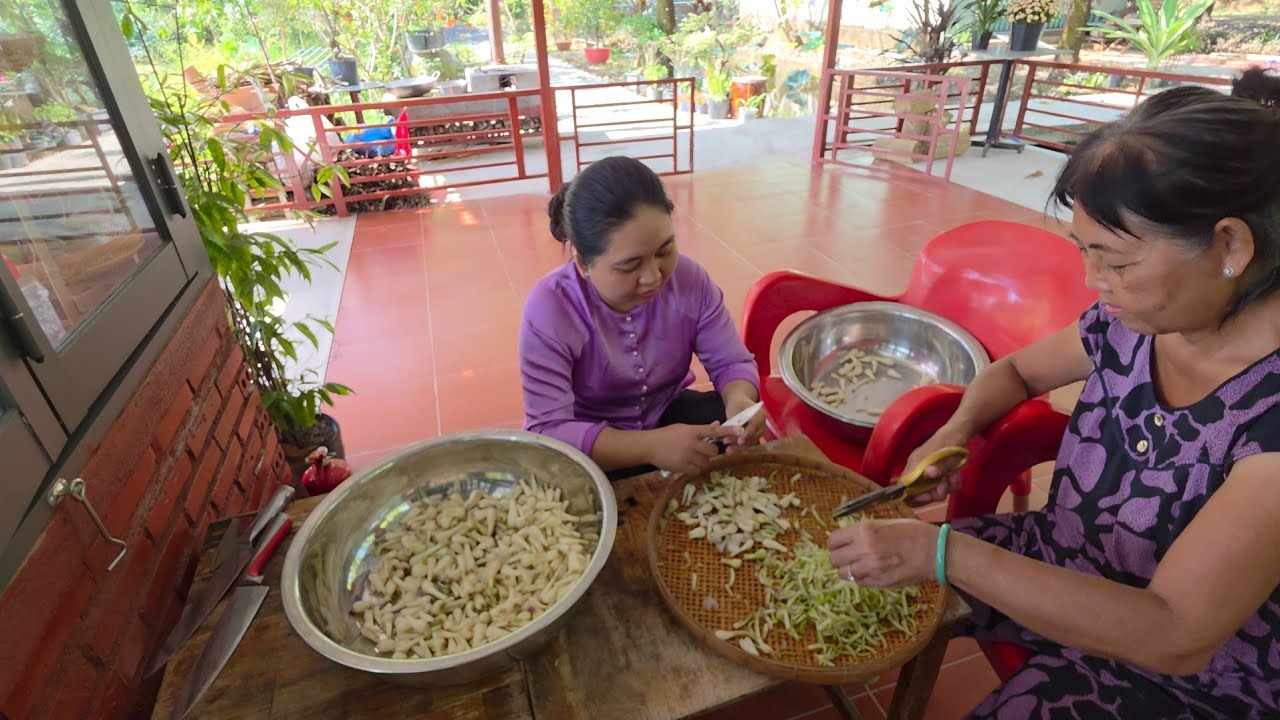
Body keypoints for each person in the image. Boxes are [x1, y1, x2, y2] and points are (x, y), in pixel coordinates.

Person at [827, 67, 1280, 718]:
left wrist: (945, 552)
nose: (1096, 282)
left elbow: (1175, 632)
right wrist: (956, 432)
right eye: (1086, 253)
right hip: (1064, 553)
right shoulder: (1130, 323)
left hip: (1192, 674)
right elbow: (1013, 374)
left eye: (1118, 262)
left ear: (1230, 244)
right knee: (849, 583)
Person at [519, 156, 766, 480]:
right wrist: (649, 446)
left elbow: (730, 362)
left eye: (665, 251)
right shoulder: (551, 309)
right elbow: (548, 430)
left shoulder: (690, 280)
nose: (653, 277)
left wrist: (740, 399)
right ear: (583, 264)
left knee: (722, 422)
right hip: (592, 442)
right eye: (629, 266)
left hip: (667, 410)